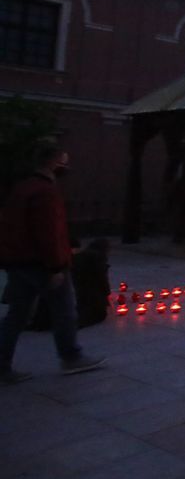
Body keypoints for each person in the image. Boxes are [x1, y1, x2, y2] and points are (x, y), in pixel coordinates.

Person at [0, 142, 105, 383]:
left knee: (17, 314)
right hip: (40, 263)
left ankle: (2, 365)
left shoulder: (21, 188)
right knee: (65, 310)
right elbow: (48, 232)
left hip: (18, 261)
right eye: (64, 162)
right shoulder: (45, 192)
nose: (66, 168)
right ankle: (71, 357)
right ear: (51, 162)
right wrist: (56, 266)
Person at [71, 238, 112, 327]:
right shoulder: (98, 257)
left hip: (80, 286)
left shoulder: (82, 254)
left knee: (84, 305)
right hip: (91, 287)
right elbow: (101, 277)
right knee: (99, 314)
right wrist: (107, 292)